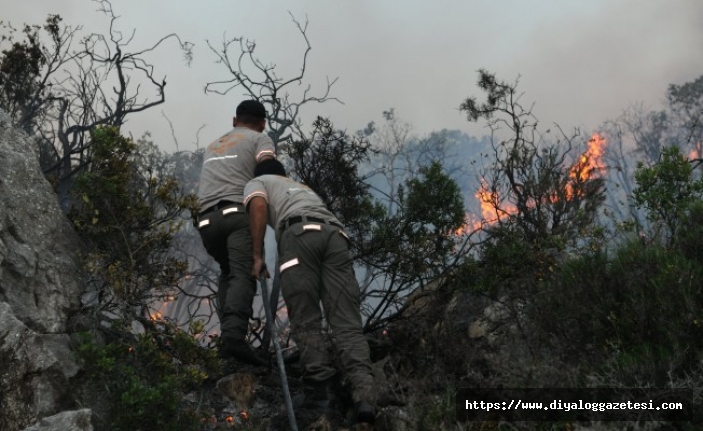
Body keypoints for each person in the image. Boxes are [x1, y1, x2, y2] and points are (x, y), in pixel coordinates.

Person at [243, 159, 376, 424]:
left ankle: (322, 394)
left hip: (300, 235)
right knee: (347, 322)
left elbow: (257, 206)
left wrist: (257, 256)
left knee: (306, 317)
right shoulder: (300, 187)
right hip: (335, 237)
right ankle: (365, 397)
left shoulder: (258, 182)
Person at [196, 100, 276, 366]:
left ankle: (227, 340)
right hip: (236, 213)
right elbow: (267, 169)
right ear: (262, 123)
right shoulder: (260, 138)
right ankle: (233, 339)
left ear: (234, 121)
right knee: (244, 271)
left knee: (228, 272)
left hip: (206, 220)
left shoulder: (214, 145)